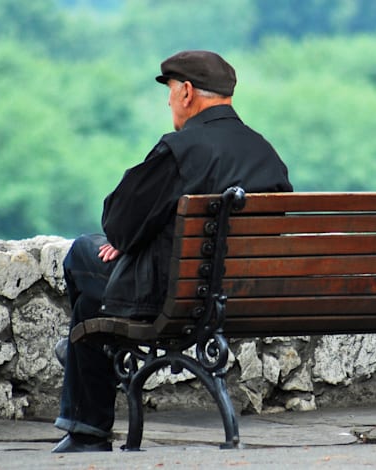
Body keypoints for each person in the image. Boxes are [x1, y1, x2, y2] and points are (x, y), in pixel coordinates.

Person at [52, 50, 293, 453]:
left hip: (174, 298)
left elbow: (118, 222)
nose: (167, 103)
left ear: (185, 93)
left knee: (82, 253)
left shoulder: (181, 150)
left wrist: (129, 241)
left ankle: (86, 398)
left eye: (169, 93)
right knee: (91, 303)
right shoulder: (265, 153)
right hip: (242, 296)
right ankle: (82, 364)